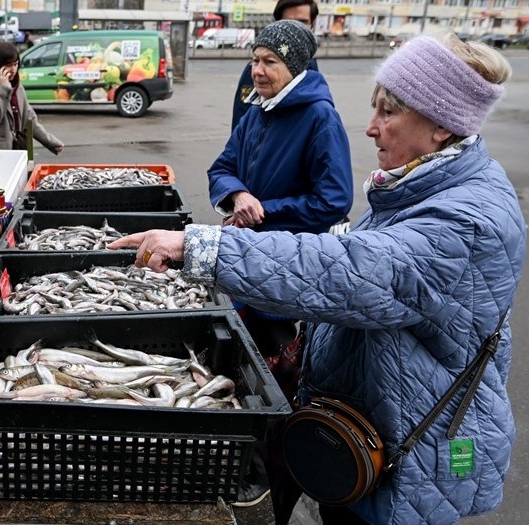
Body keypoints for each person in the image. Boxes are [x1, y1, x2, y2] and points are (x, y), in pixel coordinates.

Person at [110, 33, 524, 525]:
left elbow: (356, 272)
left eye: (388, 112)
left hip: (407, 455)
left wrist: (199, 246)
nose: (370, 128)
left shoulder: (469, 219)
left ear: (441, 126)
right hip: (363, 433)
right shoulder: (416, 185)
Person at [207, 18, 353, 510]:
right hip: (245, 260)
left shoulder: (319, 118)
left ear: (295, 67)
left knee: (274, 377)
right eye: (255, 59)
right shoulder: (257, 111)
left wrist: (266, 210)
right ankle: (241, 460)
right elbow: (221, 168)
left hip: (287, 270)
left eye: (270, 61)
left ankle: (268, 474)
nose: (258, 70)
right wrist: (238, 195)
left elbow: (334, 199)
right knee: (236, 362)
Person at [231, 0, 319, 130]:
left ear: (312, 23)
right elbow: (241, 120)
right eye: (288, 22)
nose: (296, 29)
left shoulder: (311, 64)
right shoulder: (258, 69)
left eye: (303, 22)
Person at [0, 42, 63, 154]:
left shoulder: (17, 86)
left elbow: (29, 118)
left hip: (17, 149)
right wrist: (3, 88)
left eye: (15, 64)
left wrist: (49, 141)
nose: (13, 69)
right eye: (9, 65)